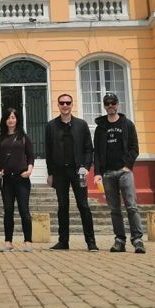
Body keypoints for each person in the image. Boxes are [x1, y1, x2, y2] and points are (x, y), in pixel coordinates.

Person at [44, 93, 98, 251]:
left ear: (72, 104)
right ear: (58, 105)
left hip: (78, 171)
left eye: (68, 103)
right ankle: (63, 241)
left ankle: (91, 241)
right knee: (62, 206)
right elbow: (49, 151)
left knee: (83, 205)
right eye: (62, 103)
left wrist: (86, 167)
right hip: (60, 172)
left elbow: (89, 149)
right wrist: (50, 173)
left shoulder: (81, 125)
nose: (65, 105)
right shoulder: (51, 126)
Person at [94, 92, 145, 254]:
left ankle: (137, 240)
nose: (110, 106)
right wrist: (97, 172)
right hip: (108, 174)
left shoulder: (127, 124)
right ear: (104, 106)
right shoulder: (100, 128)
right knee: (114, 209)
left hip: (124, 173)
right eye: (107, 103)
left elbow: (134, 148)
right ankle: (119, 240)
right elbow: (97, 153)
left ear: (118, 104)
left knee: (131, 207)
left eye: (113, 103)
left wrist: (127, 166)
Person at [0, 108, 34, 252]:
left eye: (13, 117)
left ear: (17, 119)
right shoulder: (2, 137)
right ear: (5, 120)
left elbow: (30, 156)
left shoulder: (23, 136)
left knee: (24, 210)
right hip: (7, 180)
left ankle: (28, 241)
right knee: (8, 210)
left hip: (21, 178)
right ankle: (8, 242)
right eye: (8, 117)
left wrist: (29, 171)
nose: (11, 120)